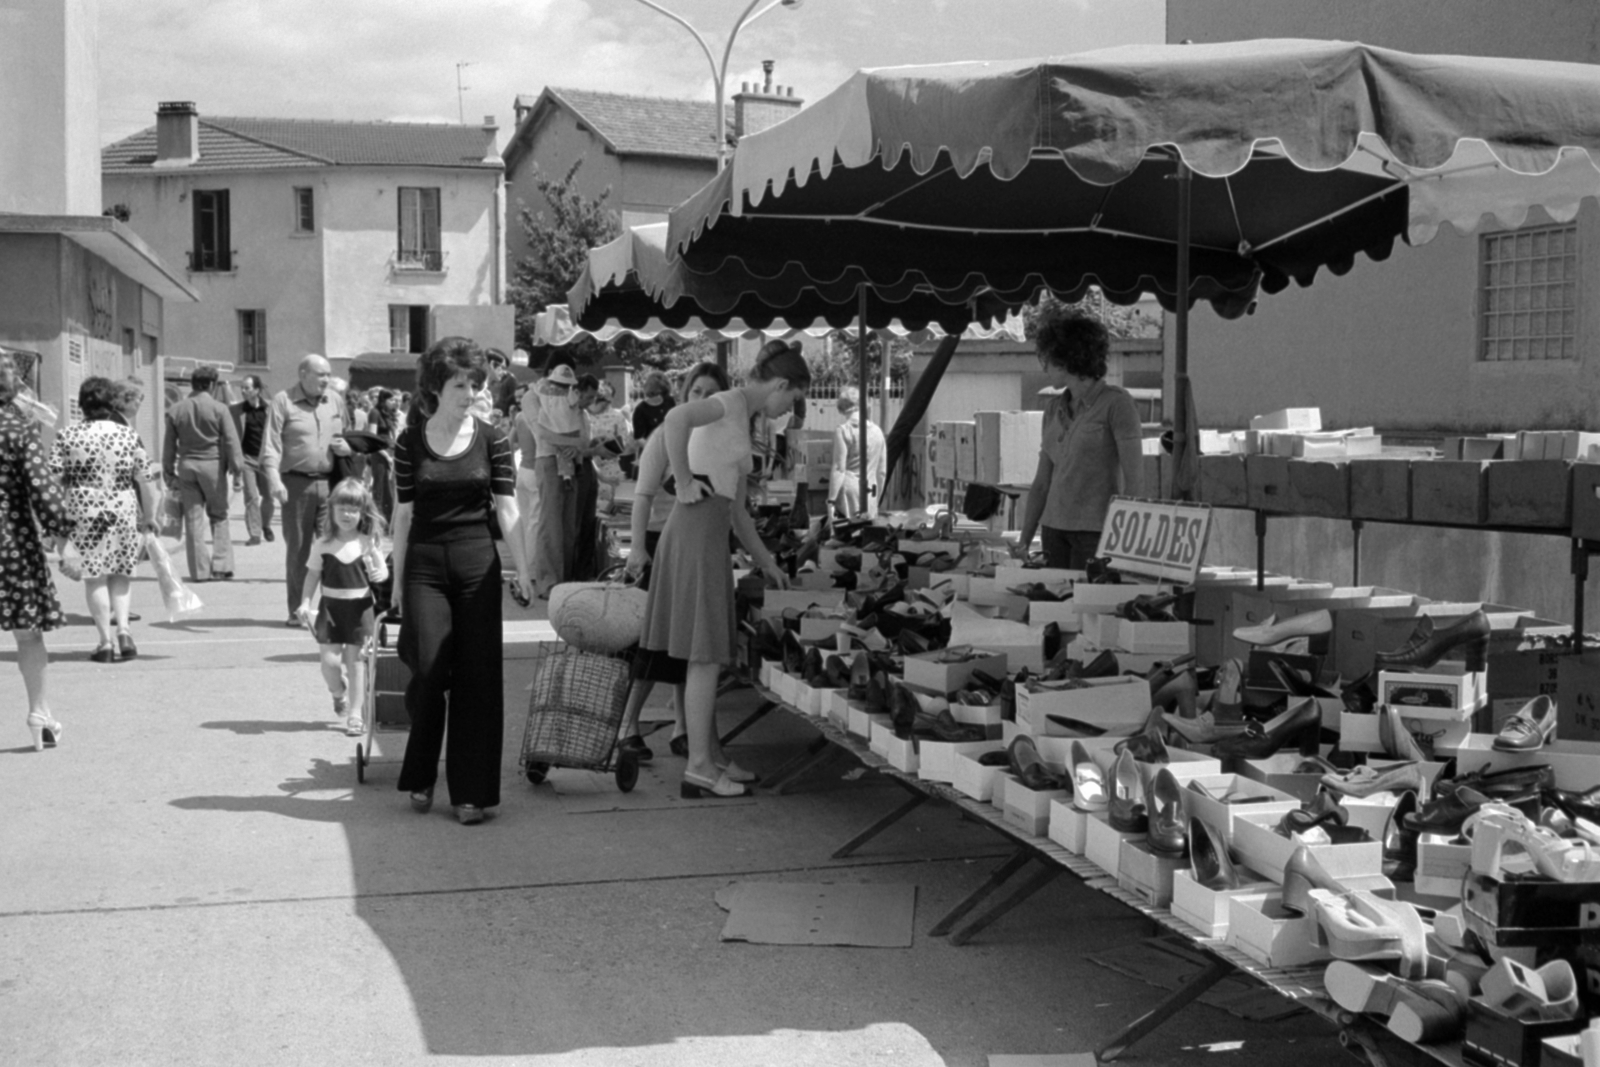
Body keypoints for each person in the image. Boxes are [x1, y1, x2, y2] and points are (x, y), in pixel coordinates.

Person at [643, 340, 807, 798]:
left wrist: (768, 562)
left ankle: (710, 756)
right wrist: (684, 479)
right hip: (696, 531)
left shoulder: (742, 415)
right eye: (791, 399)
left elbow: (738, 513)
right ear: (779, 385)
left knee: (709, 652)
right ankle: (698, 764)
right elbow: (675, 418)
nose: (787, 409)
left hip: (708, 534)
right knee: (705, 655)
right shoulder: (727, 404)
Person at [391, 337, 531, 826]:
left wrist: (525, 569)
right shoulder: (409, 442)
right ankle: (423, 770)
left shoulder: (492, 438)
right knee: (428, 671)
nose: (468, 392)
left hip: (477, 564)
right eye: (458, 383)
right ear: (435, 387)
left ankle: (471, 793)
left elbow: (508, 509)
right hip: (425, 565)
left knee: (478, 679)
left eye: (474, 383)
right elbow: (402, 515)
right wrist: (395, 581)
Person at [618, 361, 729, 759]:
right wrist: (637, 549)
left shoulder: (721, 438)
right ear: (684, 396)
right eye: (696, 392)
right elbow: (643, 495)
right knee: (654, 647)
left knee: (691, 644)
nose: (702, 400)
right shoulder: (665, 435)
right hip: (659, 543)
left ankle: (684, 728)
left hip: (697, 547)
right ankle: (628, 726)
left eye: (711, 394)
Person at [1015, 309, 1143, 567]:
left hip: (1096, 532)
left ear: (1065, 360)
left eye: (1047, 361)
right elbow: (1041, 483)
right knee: (1052, 603)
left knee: (1087, 605)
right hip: (1052, 530)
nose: (1045, 369)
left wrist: (1124, 543)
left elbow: (1135, 482)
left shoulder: (1117, 404)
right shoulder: (1053, 409)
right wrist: (1024, 540)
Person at [52, 377, 159, 663]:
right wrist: (150, 517)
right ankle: (124, 630)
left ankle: (105, 642)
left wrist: (54, 525)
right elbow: (147, 481)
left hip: (84, 510)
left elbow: (52, 481)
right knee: (121, 573)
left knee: (94, 576)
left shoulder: (66, 436)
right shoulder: (129, 435)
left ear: (82, 404)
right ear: (111, 403)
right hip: (122, 508)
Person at [0, 350, 72, 749]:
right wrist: (63, 536)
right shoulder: (18, 425)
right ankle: (39, 712)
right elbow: (41, 487)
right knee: (26, 635)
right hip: (9, 538)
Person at [262, 354, 352, 627]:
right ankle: (298, 610)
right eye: (320, 374)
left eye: (328, 374)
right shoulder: (283, 401)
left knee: (333, 547)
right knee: (299, 550)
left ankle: (333, 609)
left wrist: (348, 448)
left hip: (330, 484)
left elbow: (349, 434)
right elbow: (271, 445)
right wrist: (274, 480)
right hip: (296, 485)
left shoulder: (335, 400)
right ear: (303, 374)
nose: (326, 379)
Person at [296, 478, 388, 738]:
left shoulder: (367, 542)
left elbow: (381, 572)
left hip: (361, 610)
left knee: (356, 662)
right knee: (329, 663)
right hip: (331, 610)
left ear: (363, 513)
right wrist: (305, 602)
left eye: (354, 509)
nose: (347, 515)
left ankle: (355, 714)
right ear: (332, 510)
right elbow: (313, 575)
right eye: (342, 508)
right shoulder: (323, 544)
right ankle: (338, 691)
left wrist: (380, 572)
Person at [163, 364, 245, 582]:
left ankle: (199, 571)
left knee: (193, 519)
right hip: (213, 467)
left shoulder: (176, 410)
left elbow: (169, 445)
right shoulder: (220, 409)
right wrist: (238, 469)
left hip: (187, 466)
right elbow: (231, 441)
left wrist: (168, 473)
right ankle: (221, 566)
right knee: (219, 515)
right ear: (211, 384)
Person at [530, 360, 588, 596]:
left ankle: (562, 580)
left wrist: (576, 448)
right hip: (549, 460)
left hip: (568, 462)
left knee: (566, 525)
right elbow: (542, 433)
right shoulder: (533, 397)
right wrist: (574, 444)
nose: (560, 389)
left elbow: (583, 439)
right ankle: (548, 582)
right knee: (551, 524)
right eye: (558, 384)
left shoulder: (572, 404)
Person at [829, 386, 887, 520]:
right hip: (871, 492)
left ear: (841, 407)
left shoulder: (843, 430)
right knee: (866, 536)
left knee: (845, 535)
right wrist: (876, 498)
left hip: (848, 490)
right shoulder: (878, 432)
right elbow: (882, 471)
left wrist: (831, 501)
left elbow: (839, 468)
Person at [230, 374, 275, 545]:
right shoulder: (235, 411)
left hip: (266, 459)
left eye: (247, 387)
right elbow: (231, 437)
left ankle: (266, 525)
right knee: (251, 497)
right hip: (246, 459)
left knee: (269, 496)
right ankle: (255, 534)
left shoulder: (270, 409)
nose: (243, 390)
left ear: (257, 390)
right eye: (242, 387)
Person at [586, 380, 630, 505]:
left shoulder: (617, 416)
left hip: (609, 466)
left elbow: (624, 442)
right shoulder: (582, 415)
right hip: (588, 466)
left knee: (608, 506)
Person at [367, 389, 400, 526]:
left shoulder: (390, 414)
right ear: (384, 400)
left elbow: (394, 435)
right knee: (380, 487)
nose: (394, 403)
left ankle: (389, 520)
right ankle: (377, 520)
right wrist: (386, 456)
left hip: (391, 451)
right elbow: (372, 437)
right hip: (380, 453)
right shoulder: (374, 413)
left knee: (391, 488)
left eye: (395, 400)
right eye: (391, 400)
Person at [630, 370, 673, 449]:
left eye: (662, 393)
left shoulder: (671, 402)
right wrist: (654, 450)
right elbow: (639, 437)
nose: (660, 397)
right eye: (657, 393)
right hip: (651, 451)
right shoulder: (641, 409)